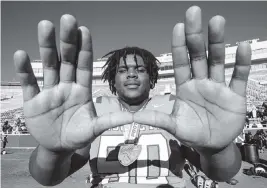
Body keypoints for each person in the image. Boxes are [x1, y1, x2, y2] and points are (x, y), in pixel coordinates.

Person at [13, 6, 251, 188]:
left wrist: (217, 151)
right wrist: (52, 152)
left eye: (140, 69)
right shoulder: (91, 111)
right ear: (112, 79)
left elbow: (222, 173)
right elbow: (48, 177)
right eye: (123, 70)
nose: (132, 75)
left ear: (152, 77)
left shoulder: (177, 108)